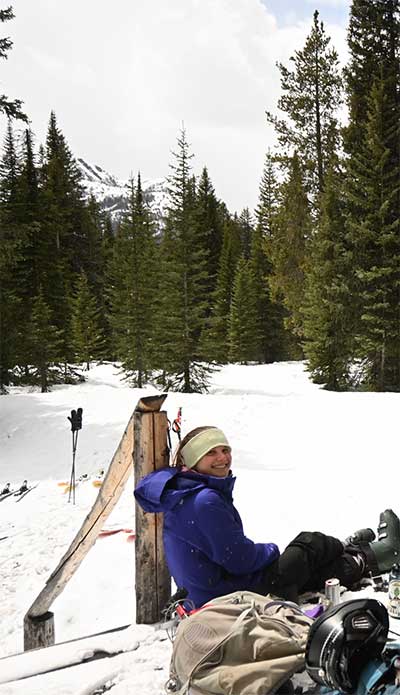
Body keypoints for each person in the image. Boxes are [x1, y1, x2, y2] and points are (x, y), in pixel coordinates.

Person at [134, 426, 400, 608]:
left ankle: (354, 551)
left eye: (224, 449)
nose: (222, 458)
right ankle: (366, 553)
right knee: (308, 545)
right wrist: (272, 550)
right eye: (211, 453)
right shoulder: (204, 501)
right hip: (227, 597)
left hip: (210, 591)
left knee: (305, 570)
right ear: (193, 461)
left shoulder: (184, 490)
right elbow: (240, 560)